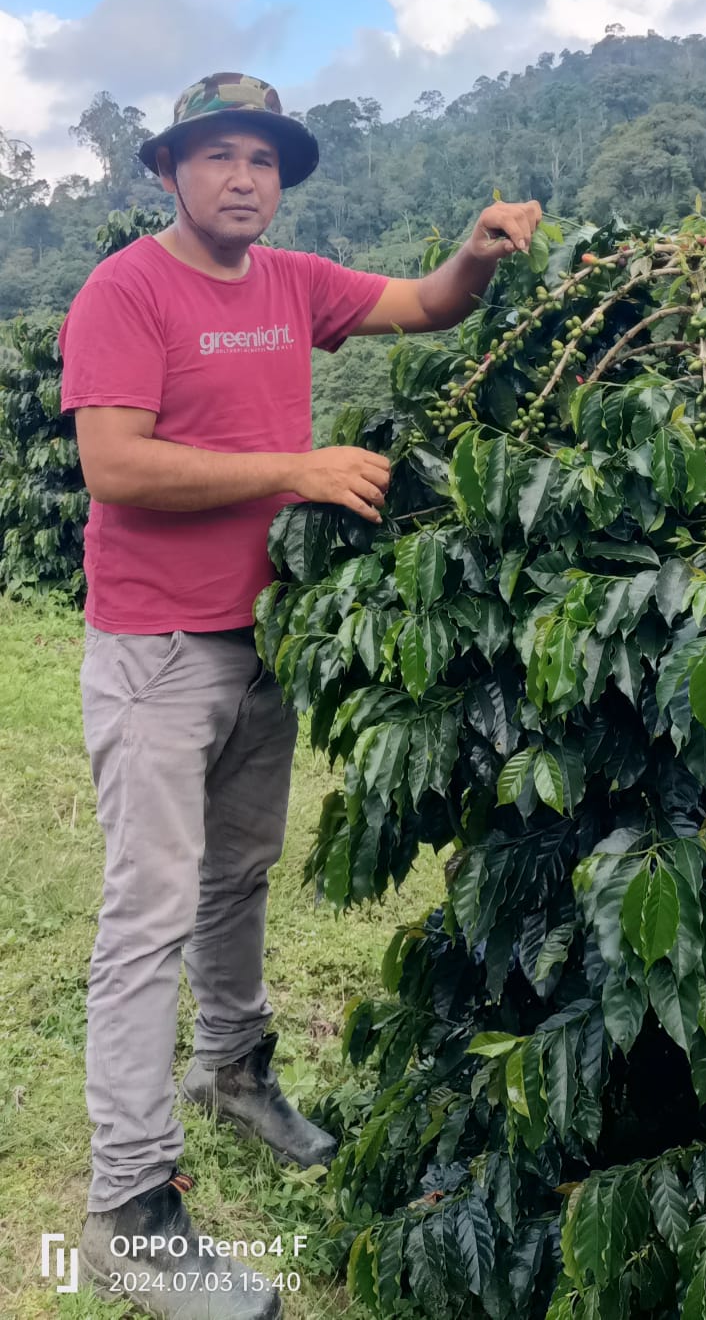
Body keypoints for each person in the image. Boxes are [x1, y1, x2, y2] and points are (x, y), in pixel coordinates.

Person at [59, 71, 542, 1318]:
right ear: (170, 171)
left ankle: (234, 1071)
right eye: (217, 155)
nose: (242, 178)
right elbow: (111, 462)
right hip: (157, 650)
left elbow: (424, 304)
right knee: (147, 917)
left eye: (262, 159)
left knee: (237, 876)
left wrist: (478, 258)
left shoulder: (295, 284)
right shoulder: (127, 289)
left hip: (261, 641)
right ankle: (125, 1205)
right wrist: (296, 467)